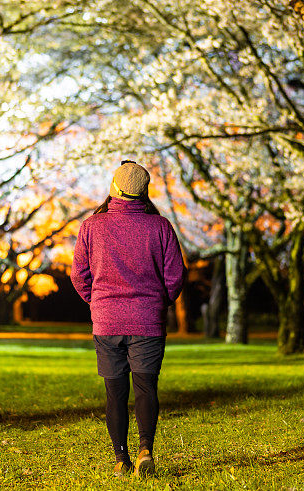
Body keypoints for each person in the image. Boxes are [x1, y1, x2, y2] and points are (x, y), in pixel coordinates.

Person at [70, 160, 185, 478]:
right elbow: (175, 276)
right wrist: (159, 304)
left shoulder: (92, 226)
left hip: (107, 322)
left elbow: (79, 276)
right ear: (143, 193)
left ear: (114, 190)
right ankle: (145, 451)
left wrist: (98, 303)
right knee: (147, 387)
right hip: (147, 321)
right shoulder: (160, 226)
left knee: (115, 391)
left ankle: (121, 459)